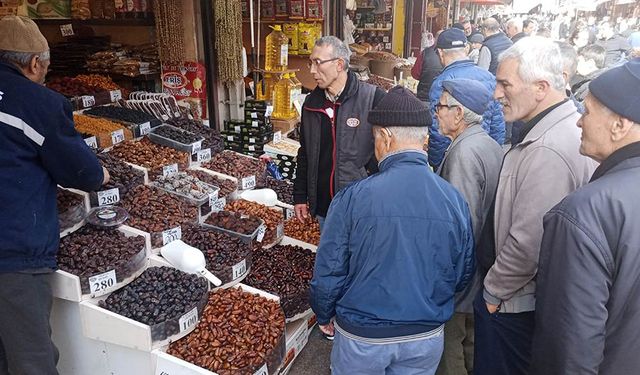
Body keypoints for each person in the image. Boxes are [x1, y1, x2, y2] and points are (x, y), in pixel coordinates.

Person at [310, 86, 475, 375]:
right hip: (425, 335)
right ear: (424, 141)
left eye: (374, 137)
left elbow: (330, 268)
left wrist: (324, 312)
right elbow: (462, 272)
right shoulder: (453, 200)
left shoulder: (353, 198)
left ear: (384, 137)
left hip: (363, 336)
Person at [474, 37, 597, 375]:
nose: (497, 94)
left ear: (541, 87)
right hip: (515, 302)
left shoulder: (548, 149)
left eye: (505, 84)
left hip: (514, 305)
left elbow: (529, 242)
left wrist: (493, 292)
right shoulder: (543, 134)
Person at [0, 15, 108, 375]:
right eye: (45, 67)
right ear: (33, 64)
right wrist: (101, 173)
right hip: (12, 249)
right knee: (32, 360)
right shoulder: (38, 103)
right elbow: (82, 173)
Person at [531, 58, 640, 375]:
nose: (579, 122)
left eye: (588, 111)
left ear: (620, 125)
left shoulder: (585, 212)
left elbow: (568, 349)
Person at [434, 79, 503, 375]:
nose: (436, 112)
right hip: (480, 271)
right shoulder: (488, 144)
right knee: (471, 346)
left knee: (451, 350)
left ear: (458, 113)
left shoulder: (463, 153)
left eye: (441, 106)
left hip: (463, 275)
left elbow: (460, 226)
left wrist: (449, 280)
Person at [293, 36, 385, 230]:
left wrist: (368, 176)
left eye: (318, 63)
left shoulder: (373, 98)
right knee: (331, 258)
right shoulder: (311, 105)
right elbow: (305, 153)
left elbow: (388, 150)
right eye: (311, 63)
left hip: (362, 206)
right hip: (324, 208)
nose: (311, 71)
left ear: (339, 64)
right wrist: (300, 195)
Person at [428, 28, 505, 169]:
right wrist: (494, 154)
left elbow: (437, 129)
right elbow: (497, 123)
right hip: (482, 154)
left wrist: (436, 162)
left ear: (440, 53)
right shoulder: (489, 78)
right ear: (466, 48)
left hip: (453, 157)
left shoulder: (442, 83)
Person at [411, 31, 443, 102]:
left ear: (434, 39)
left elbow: (415, 74)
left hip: (424, 97)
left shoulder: (425, 53)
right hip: (441, 100)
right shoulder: (451, 55)